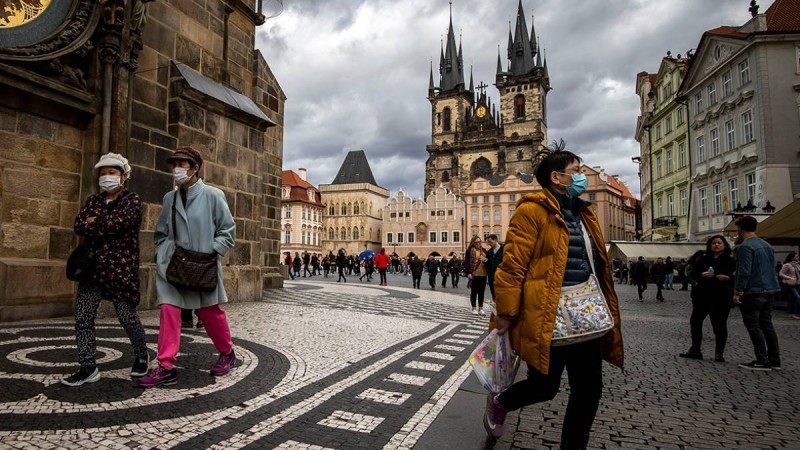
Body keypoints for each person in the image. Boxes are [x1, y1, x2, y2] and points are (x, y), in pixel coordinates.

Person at [485, 146, 623, 448]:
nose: (582, 176)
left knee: (588, 390)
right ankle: (502, 402)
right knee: (544, 386)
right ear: (556, 177)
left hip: (585, 312)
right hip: (547, 312)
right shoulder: (531, 211)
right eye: (576, 171)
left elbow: (596, 261)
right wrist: (505, 314)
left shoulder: (585, 212)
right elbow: (513, 265)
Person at [138, 146, 237, 388]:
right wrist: (163, 253)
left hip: (202, 265)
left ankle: (227, 352)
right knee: (169, 311)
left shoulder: (214, 195)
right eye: (175, 164)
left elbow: (228, 230)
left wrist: (212, 250)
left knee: (209, 312)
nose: (177, 169)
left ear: (195, 168)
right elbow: (161, 231)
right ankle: (166, 365)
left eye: (183, 164)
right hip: (174, 265)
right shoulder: (169, 198)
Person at [62, 153, 149, 387]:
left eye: (112, 172)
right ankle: (88, 366)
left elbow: (118, 223)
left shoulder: (133, 200)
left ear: (124, 176)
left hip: (119, 269)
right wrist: (97, 223)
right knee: (83, 317)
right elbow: (79, 225)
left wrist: (96, 222)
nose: (106, 177)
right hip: (92, 269)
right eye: (103, 172)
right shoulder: (93, 200)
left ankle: (142, 355)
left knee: (126, 316)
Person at [732, 216, 781, 371]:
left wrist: (738, 291)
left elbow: (744, 271)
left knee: (753, 326)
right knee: (767, 325)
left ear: (740, 229)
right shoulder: (767, 245)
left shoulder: (746, 247)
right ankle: (774, 360)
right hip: (770, 289)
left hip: (753, 291)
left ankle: (762, 360)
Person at [679, 236, 735, 362]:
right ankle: (695, 350)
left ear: (724, 245)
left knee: (719, 326)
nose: (716, 245)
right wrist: (701, 275)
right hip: (702, 296)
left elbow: (734, 276)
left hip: (721, 297)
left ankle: (719, 353)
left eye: (719, 243)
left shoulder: (730, 260)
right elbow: (692, 274)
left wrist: (727, 278)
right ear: (709, 245)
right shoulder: (703, 259)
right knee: (695, 322)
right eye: (713, 243)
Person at [464, 236, 488, 315]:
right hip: (474, 274)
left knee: (481, 292)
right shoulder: (469, 251)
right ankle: (473, 308)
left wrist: (484, 257)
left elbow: (487, 262)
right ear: (473, 243)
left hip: (483, 274)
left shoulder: (483, 250)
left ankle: (481, 308)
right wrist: (468, 273)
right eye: (476, 242)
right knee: (474, 292)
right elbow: (467, 263)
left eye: (479, 242)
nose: (478, 243)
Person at [778, 252, 800, 319]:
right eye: (796, 256)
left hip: (797, 283)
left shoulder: (797, 264)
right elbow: (781, 274)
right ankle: (796, 312)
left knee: (793, 299)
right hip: (790, 284)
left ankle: (792, 314)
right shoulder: (787, 265)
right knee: (798, 298)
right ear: (792, 257)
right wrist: (789, 278)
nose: (798, 257)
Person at [485, 234, 505, 301]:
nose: (489, 244)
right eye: (488, 242)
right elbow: (486, 263)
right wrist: (482, 258)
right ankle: (496, 309)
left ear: (496, 240)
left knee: (503, 294)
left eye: (490, 241)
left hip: (502, 277)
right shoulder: (489, 252)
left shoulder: (504, 249)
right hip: (492, 277)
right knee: (494, 294)